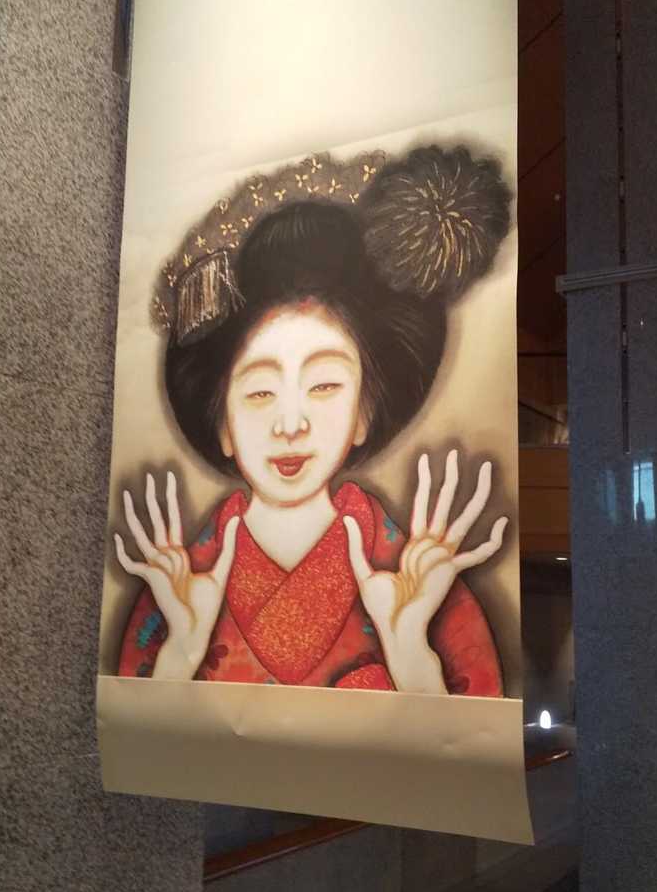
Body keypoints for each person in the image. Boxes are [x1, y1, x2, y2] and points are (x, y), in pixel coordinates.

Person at [113, 145, 512, 695]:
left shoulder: (419, 576)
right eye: (260, 392)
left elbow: (471, 736)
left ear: (364, 413)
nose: (290, 424)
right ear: (222, 424)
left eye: (324, 386)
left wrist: (412, 657)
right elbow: (134, 733)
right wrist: (180, 652)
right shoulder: (179, 581)